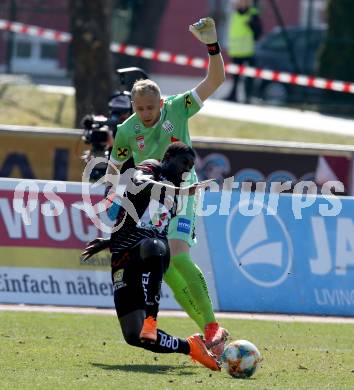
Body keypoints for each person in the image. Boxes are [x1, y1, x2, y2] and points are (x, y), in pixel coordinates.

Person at [104, 17, 229, 358]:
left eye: (149, 108)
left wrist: (211, 44)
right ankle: (209, 330)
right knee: (167, 266)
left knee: (176, 251)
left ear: (161, 103)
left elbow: (215, 79)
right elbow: (115, 169)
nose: (145, 114)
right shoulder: (127, 129)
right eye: (139, 108)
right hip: (151, 199)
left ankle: (213, 327)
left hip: (184, 186)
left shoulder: (178, 106)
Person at [82, 142, 220, 371]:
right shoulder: (152, 167)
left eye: (191, 166)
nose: (187, 169)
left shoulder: (175, 196)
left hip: (150, 251)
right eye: (184, 162)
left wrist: (179, 193)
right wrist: (110, 242)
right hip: (123, 256)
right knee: (134, 336)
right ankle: (191, 347)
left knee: (155, 245)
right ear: (167, 158)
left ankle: (151, 320)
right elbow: (139, 182)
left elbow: (153, 228)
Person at [225, 0, 262, 103]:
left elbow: (258, 33)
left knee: (249, 76)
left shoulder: (253, 15)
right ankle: (233, 95)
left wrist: (251, 24)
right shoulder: (235, 14)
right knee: (235, 77)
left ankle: (248, 97)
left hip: (248, 52)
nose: (238, 4)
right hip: (236, 52)